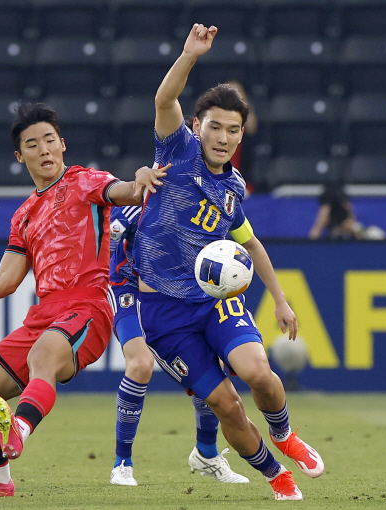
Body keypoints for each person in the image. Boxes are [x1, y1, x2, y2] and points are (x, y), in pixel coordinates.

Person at [0, 103, 166, 498]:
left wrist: (141, 179)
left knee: (43, 356)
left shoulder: (84, 181)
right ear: (20, 156)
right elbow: (6, 278)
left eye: (49, 140)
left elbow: (126, 191)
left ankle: (20, 427)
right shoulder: (24, 215)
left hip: (88, 307)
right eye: (33, 144)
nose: (43, 149)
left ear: (62, 144)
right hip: (45, 314)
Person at [133, 24, 325, 500]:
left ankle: (283, 433)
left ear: (241, 136)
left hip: (210, 300)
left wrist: (280, 301)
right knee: (227, 405)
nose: (222, 136)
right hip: (163, 314)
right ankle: (274, 475)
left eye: (232, 130)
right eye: (214, 126)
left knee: (261, 373)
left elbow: (252, 244)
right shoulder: (176, 150)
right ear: (198, 126)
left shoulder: (233, 188)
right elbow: (163, 100)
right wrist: (189, 55)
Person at [108, 205, 248, 486]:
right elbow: (102, 242)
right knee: (140, 364)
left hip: (179, 292)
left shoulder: (200, 199)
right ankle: (122, 463)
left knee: (210, 366)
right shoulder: (140, 203)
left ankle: (206, 453)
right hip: (129, 288)